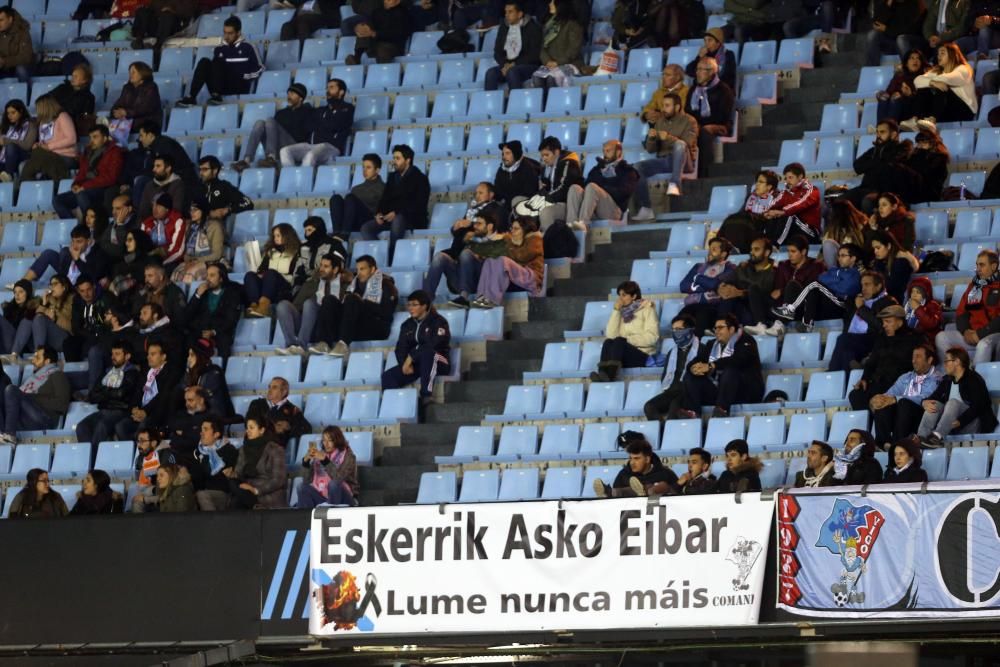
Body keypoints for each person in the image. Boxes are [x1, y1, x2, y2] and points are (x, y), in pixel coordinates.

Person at [310, 255, 398, 356]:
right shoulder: (354, 284)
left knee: (352, 299)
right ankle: (323, 342)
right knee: (329, 299)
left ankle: (343, 343)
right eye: (357, 269)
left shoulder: (386, 285)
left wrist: (363, 302)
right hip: (355, 327)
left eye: (362, 269)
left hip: (376, 327)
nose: (359, 273)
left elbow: (386, 313)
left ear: (373, 269)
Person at [683, 314, 764, 417]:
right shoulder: (711, 344)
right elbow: (696, 360)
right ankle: (693, 412)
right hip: (719, 390)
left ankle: (721, 409)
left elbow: (738, 360)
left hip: (745, 391)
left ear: (731, 329)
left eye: (721, 327)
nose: (716, 331)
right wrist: (693, 368)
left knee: (730, 370)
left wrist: (712, 365)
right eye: (715, 328)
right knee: (690, 377)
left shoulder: (746, 340)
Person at [360, 144, 431, 263]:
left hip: (412, 218)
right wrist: (379, 213)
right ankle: (381, 256)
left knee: (398, 220)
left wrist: (397, 212)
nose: (394, 161)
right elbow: (384, 199)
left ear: (408, 160)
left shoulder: (420, 178)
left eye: (398, 158)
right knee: (366, 228)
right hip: (391, 217)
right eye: (394, 158)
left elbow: (419, 204)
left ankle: (392, 257)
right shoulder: (393, 177)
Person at [770, 243, 863, 332]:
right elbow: (821, 277)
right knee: (793, 285)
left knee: (814, 284)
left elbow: (845, 289)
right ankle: (780, 324)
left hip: (840, 305)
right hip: (826, 302)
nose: (839, 258)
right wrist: (837, 280)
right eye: (838, 255)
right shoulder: (835, 270)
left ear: (853, 258)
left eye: (843, 255)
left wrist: (832, 281)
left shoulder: (855, 274)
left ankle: (796, 314)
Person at [745, 235, 825, 337]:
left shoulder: (815, 266)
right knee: (754, 288)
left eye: (793, 251)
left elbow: (811, 288)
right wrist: (780, 292)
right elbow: (777, 288)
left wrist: (783, 291)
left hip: (800, 308)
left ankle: (780, 325)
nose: (789, 255)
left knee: (792, 285)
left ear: (803, 252)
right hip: (781, 305)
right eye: (788, 251)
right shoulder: (784, 266)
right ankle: (761, 324)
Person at [848, 304, 924, 411]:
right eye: (883, 322)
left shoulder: (914, 339)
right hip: (878, 382)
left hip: (898, 386)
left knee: (883, 403)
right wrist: (864, 378)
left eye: (888, 321)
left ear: (900, 322)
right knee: (856, 395)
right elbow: (872, 362)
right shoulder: (881, 338)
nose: (884, 325)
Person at [919, 346, 998, 447]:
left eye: (947, 361)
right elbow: (933, 397)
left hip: (973, 423)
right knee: (934, 404)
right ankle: (921, 437)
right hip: (951, 425)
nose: (944, 365)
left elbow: (979, 406)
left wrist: (960, 421)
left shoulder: (974, 379)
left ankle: (937, 436)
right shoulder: (947, 380)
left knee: (953, 402)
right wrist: (924, 402)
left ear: (957, 362)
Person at [176, 17, 264, 107]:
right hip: (222, 86)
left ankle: (216, 95)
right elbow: (216, 70)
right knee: (205, 62)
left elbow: (260, 68)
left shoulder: (249, 47)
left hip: (239, 85)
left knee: (218, 62)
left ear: (238, 33)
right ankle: (192, 97)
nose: (226, 36)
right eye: (225, 33)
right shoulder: (220, 49)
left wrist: (244, 75)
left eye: (230, 33)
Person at [381, 290, 451, 404]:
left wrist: (411, 357)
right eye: (409, 304)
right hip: (417, 364)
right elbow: (400, 348)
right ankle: (392, 406)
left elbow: (434, 344)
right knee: (388, 376)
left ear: (424, 306)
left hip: (439, 361)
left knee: (428, 354)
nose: (410, 308)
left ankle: (426, 396)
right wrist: (405, 364)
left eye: (414, 304)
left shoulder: (438, 321)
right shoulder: (407, 325)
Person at [869, 343, 942, 447]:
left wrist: (896, 399)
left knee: (904, 403)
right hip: (901, 417)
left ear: (929, 360)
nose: (913, 360)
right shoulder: (906, 377)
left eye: (918, 357)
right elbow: (889, 395)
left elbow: (925, 397)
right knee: (883, 404)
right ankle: (882, 443)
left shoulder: (936, 378)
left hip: (921, 417)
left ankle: (898, 444)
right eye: (913, 357)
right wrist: (878, 399)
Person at [634, 93, 698, 210]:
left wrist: (668, 138)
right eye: (663, 106)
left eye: (667, 106)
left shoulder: (690, 121)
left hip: (685, 162)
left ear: (677, 107)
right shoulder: (660, 122)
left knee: (680, 144)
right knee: (636, 167)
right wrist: (651, 138)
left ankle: (675, 184)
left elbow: (688, 144)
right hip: (664, 161)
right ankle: (645, 208)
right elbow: (650, 150)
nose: (663, 109)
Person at [935, 249, 1000, 365]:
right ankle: (953, 375)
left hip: (993, 335)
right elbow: (961, 312)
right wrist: (965, 331)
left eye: (982, 265)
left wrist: (979, 334)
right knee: (941, 337)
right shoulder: (974, 286)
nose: (978, 269)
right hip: (971, 334)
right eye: (977, 265)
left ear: (994, 266)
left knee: (983, 344)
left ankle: (975, 379)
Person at [276, 253, 347, 356]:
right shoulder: (311, 284)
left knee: (310, 303)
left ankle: (301, 345)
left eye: (326, 266)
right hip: (309, 326)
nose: (321, 269)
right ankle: (292, 345)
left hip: (330, 328)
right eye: (321, 265)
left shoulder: (344, 285)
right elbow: (296, 306)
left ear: (335, 270)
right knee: (283, 305)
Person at [232, 83, 313, 171]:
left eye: (292, 94)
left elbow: (305, 135)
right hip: (279, 149)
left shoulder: (308, 112)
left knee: (270, 120)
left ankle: (271, 157)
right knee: (260, 123)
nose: (289, 96)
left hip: (297, 148)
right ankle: (246, 160)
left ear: (301, 98)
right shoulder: (281, 113)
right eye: (288, 94)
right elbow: (272, 133)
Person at [52, 126, 125, 222]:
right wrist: (76, 184)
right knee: (57, 200)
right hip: (87, 187)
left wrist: (85, 186)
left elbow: (111, 178)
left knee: (82, 195)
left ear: (105, 138)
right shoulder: (88, 151)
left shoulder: (115, 152)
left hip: (103, 188)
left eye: (95, 137)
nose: (92, 140)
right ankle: (75, 227)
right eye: (90, 137)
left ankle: (89, 225)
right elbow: (82, 172)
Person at [0, 346, 71, 443]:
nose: (33, 360)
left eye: (37, 358)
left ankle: (9, 436)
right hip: (25, 415)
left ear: (47, 361)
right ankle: (2, 434)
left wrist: (32, 398)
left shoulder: (58, 375)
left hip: (44, 418)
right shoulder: (33, 378)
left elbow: (62, 405)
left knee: (11, 390)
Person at [828, 271, 897, 371]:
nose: (863, 288)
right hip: (856, 341)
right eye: (862, 285)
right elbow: (848, 324)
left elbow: (881, 326)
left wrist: (861, 308)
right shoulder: (859, 300)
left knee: (843, 339)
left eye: (867, 284)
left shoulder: (888, 302)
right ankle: (846, 372)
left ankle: (833, 372)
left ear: (878, 286)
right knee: (846, 353)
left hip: (875, 340)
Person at [591, 280, 659, 382]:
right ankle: (602, 373)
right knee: (608, 342)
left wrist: (627, 340)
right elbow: (610, 335)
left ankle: (610, 375)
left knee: (619, 341)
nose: (620, 299)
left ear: (634, 296)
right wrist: (616, 311)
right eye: (619, 295)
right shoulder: (621, 312)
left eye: (624, 295)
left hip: (642, 354)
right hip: (622, 354)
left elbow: (652, 337)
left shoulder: (647, 309)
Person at [842, 119, 913, 213]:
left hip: (887, 192)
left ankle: (872, 226)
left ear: (894, 134)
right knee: (840, 202)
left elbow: (889, 167)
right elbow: (857, 166)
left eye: (882, 132)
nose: (878, 135)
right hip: (864, 188)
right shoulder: (874, 151)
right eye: (877, 132)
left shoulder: (901, 150)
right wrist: (877, 161)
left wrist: (873, 162)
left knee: (867, 202)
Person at [472, 216, 544, 308]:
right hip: (518, 274)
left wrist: (507, 240)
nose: (512, 231)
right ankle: (481, 297)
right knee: (490, 259)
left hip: (532, 277)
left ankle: (492, 299)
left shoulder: (535, 240)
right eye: (511, 228)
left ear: (526, 230)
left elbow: (522, 256)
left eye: (516, 229)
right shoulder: (514, 241)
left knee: (502, 260)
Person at [280, 79, 355, 166]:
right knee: (285, 151)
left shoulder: (348, 108)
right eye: (327, 88)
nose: (328, 90)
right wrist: (325, 124)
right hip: (311, 145)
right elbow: (308, 126)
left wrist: (320, 124)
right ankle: (290, 177)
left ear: (341, 92)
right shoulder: (320, 110)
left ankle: (304, 178)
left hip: (331, 147)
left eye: (331, 87)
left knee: (310, 155)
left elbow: (336, 125)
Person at [565, 140, 639, 228]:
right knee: (575, 188)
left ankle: (583, 224)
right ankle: (570, 226)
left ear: (618, 152)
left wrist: (602, 187)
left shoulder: (627, 170)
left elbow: (623, 193)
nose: (605, 154)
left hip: (614, 212)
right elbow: (586, 187)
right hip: (593, 209)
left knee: (592, 187)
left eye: (608, 151)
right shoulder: (597, 169)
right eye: (604, 151)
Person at [901, 43, 977, 128]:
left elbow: (948, 79)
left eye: (942, 53)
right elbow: (917, 81)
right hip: (946, 112)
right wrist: (931, 82)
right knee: (924, 88)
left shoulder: (963, 69)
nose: (939, 56)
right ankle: (915, 120)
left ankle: (932, 120)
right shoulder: (938, 71)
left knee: (941, 86)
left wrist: (932, 82)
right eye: (938, 54)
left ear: (952, 55)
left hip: (964, 112)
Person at [515, 136, 582, 230]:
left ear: (557, 152)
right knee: (517, 201)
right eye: (542, 156)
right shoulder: (546, 167)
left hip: (563, 204)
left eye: (547, 155)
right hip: (548, 201)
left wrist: (543, 199)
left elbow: (563, 189)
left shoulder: (569, 163)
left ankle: (547, 241)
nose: (544, 158)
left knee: (545, 212)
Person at [117, 341, 181, 439]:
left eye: (153, 354)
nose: (149, 357)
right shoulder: (146, 371)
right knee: (121, 426)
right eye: (148, 354)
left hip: (156, 414)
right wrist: (134, 408)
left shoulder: (171, 372)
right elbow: (138, 392)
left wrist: (145, 411)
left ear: (163, 356)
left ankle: (140, 451)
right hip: (140, 412)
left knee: (142, 429)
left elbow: (163, 396)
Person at [643, 314, 702, 421]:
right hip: (672, 391)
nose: (675, 333)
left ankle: (669, 433)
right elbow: (665, 376)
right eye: (674, 330)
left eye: (679, 329)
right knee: (649, 406)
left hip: (689, 392)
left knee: (674, 407)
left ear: (690, 330)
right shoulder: (672, 352)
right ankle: (661, 431)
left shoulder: (702, 349)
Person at [243, 223, 307, 319]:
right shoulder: (270, 251)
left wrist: (273, 274)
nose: (275, 238)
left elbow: (296, 273)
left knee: (271, 273)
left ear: (287, 236)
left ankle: (263, 306)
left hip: (284, 285)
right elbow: (261, 269)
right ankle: (254, 306)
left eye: (278, 235)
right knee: (250, 275)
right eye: (274, 236)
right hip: (268, 282)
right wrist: (260, 274)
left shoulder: (297, 251)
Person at [684, 57, 734, 176]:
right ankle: (686, 170)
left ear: (712, 72)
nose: (697, 73)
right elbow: (687, 111)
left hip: (720, 125)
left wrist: (700, 125)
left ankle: (705, 171)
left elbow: (723, 116)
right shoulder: (693, 90)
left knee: (705, 131)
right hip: (697, 125)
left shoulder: (723, 90)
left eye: (702, 70)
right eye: (697, 69)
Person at [182, 262, 242, 358]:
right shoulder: (202, 291)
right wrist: (197, 295)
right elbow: (187, 315)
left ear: (221, 278)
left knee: (224, 341)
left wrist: (214, 331)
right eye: (207, 275)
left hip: (219, 331)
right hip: (200, 331)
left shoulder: (231, 294)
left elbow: (231, 319)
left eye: (212, 275)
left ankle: (222, 369)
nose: (208, 279)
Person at [678, 237, 736, 334]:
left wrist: (697, 278)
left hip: (713, 307)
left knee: (702, 314)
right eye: (709, 249)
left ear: (723, 254)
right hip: (693, 306)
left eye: (713, 249)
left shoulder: (730, 268)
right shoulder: (698, 266)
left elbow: (714, 284)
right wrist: (704, 287)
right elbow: (683, 286)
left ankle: (698, 344)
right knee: (679, 321)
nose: (709, 252)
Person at [21, 224, 110, 286]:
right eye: (73, 241)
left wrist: (77, 259)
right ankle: (23, 284)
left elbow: (92, 276)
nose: (75, 245)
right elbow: (64, 270)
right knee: (48, 253)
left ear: (89, 241)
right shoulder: (70, 250)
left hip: (81, 284)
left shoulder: (98, 253)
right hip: (66, 276)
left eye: (79, 242)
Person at [230, 416, 288, 510]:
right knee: (232, 484)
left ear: (261, 430)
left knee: (236, 503)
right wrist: (233, 474)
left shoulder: (275, 450)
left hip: (267, 493)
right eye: (247, 428)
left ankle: (255, 506)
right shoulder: (243, 449)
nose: (248, 431)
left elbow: (278, 480)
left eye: (251, 428)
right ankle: (254, 506)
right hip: (246, 491)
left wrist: (256, 490)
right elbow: (239, 474)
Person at [297, 425, 360, 508]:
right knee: (301, 487)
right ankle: (306, 518)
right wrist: (306, 462)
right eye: (324, 440)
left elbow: (338, 478)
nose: (326, 444)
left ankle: (331, 514)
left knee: (333, 484)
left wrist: (325, 461)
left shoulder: (349, 456)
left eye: (330, 440)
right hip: (322, 496)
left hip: (345, 497)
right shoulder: (320, 455)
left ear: (337, 440)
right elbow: (307, 480)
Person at [485, 1, 543, 91]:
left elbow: (534, 55)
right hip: (507, 65)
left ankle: (516, 103)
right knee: (490, 73)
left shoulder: (533, 28)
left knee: (512, 72)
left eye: (510, 12)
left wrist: (514, 64)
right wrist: (505, 64)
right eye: (506, 12)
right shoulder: (504, 27)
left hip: (529, 66)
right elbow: (497, 52)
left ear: (520, 14)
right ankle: (489, 103)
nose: (506, 15)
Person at [10, 276, 74, 356]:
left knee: (39, 318)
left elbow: (72, 327)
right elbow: (32, 316)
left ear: (64, 286)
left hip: (65, 340)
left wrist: (56, 318)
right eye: (50, 284)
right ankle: (14, 354)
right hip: (46, 340)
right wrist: (44, 304)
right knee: (27, 320)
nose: (51, 287)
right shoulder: (48, 298)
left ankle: (39, 355)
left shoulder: (72, 300)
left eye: (55, 284)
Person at [593, 438, 678, 497]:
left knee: (662, 486)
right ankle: (608, 492)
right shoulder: (624, 474)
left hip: (657, 509)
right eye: (631, 458)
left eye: (637, 458)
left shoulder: (665, 473)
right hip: (631, 511)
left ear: (647, 459)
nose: (632, 462)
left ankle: (645, 490)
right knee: (618, 492)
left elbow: (678, 494)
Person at [762, 163, 822, 245]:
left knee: (789, 216)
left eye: (790, 177)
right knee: (771, 216)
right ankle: (766, 244)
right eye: (786, 178)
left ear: (800, 176)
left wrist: (782, 212)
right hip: (793, 231)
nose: (787, 181)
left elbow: (800, 204)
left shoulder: (812, 190)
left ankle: (776, 245)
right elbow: (773, 204)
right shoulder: (785, 193)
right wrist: (768, 212)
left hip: (810, 232)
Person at [19, 97, 76, 183]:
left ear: (45, 107)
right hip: (47, 154)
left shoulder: (63, 116)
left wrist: (49, 147)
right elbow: (44, 141)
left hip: (65, 156)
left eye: (38, 108)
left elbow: (72, 139)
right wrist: (39, 144)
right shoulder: (42, 121)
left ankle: (25, 183)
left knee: (37, 157)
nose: (37, 111)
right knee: (34, 154)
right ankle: (46, 183)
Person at [531, 0, 585, 92]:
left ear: (561, 6)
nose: (550, 4)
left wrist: (557, 62)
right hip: (550, 65)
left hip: (569, 64)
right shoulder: (549, 25)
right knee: (537, 78)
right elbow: (541, 47)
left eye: (553, 2)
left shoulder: (574, 25)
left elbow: (573, 50)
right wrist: (547, 61)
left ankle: (554, 104)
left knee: (552, 78)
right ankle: (543, 105)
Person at [329, 153, 385, 241]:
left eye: (368, 167)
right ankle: (337, 233)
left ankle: (344, 234)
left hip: (369, 221)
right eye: (363, 167)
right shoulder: (356, 188)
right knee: (335, 198)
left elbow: (386, 210)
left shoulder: (384, 188)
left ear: (377, 170)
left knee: (350, 197)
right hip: (353, 221)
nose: (365, 170)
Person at [718, 174, 779, 254]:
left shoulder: (776, 199)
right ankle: (723, 246)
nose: (757, 184)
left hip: (763, 225)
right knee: (731, 219)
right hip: (750, 221)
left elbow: (773, 219)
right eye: (757, 181)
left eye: (761, 182)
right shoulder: (751, 196)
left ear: (769, 186)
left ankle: (735, 249)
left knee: (742, 222)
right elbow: (743, 211)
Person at [245, 377, 312, 447]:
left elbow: (307, 429)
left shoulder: (292, 410)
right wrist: (273, 427)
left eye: (274, 387)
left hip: (274, 450)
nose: (269, 390)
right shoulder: (257, 404)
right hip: (252, 446)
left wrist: (289, 427)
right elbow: (247, 423)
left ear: (284, 392)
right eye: (269, 387)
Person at [171, 199, 225, 284]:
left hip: (211, 263)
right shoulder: (191, 227)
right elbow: (186, 251)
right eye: (190, 210)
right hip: (192, 261)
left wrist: (197, 260)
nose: (192, 213)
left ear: (203, 210)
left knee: (190, 274)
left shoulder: (214, 226)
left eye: (195, 210)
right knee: (176, 275)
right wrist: (188, 261)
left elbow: (217, 254)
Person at [192, 416, 239, 511]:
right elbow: (197, 478)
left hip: (224, 494)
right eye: (201, 429)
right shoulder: (198, 452)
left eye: (205, 429)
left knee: (201, 495)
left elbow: (229, 478)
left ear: (216, 434)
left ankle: (213, 523)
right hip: (204, 492)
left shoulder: (229, 450)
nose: (201, 433)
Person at [346, 0, 412, 64]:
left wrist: (374, 33)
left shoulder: (403, 13)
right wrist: (360, 29)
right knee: (364, 31)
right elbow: (369, 27)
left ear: (398, 1)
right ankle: (356, 58)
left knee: (382, 49)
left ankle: (382, 72)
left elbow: (398, 34)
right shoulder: (377, 12)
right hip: (376, 44)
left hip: (393, 46)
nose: (387, 1)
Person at [127, 427, 177, 512]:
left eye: (142, 441)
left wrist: (148, 495)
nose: (139, 445)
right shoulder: (139, 459)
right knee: (133, 494)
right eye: (138, 441)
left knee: (138, 501)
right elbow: (138, 479)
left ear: (153, 443)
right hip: (147, 491)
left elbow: (172, 485)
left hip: (166, 493)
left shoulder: (166, 456)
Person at [63, 274, 111, 363]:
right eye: (82, 291)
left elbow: (105, 325)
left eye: (88, 289)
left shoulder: (105, 298)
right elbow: (76, 326)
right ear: (78, 290)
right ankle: (74, 370)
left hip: (102, 335)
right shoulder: (77, 300)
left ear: (94, 287)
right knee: (69, 343)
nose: (86, 294)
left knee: (92, 345)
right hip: (86, 334)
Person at [182, 339, 233, 418]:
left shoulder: (214, 372)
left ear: (200, 357)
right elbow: (184, 389)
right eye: (188, 355)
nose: (189, 359)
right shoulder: (189, 373)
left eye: (192, 355)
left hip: (215, 417)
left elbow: (207, 399)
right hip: (196, 415)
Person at [866, 0, 927, 66]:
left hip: (909, 42)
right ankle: (872, 68)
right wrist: (888, 5)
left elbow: (910, 30)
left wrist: (886, 29)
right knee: (872, 35)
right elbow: (877, 24)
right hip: (891, 41)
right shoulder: (888, 3)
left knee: (901, 39)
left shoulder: (914, 4)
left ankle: (908, 69)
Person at [877, 49, 929, 122]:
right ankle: (881, 126)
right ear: (906, 63)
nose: (915, 61)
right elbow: (889, 92)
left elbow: (923, 100)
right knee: (884, 98)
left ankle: (889, 127)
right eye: (912, 58)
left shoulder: (924, 76)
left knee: (896, 99)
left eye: (918, 58)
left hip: (913, 111)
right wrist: (881, 94)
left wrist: (909, 94)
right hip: (897, 107)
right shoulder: (899, 76)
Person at [109, 62, 162, 133]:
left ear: (142, 73)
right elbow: (119, 103)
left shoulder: (151, 87)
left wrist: (126, 113)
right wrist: (115, 112)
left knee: (118, 127)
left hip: (147, 122)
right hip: (129, 120)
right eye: (129, 72)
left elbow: (145, 108)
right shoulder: (127, 87)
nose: (130, 75)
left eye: (133, 72)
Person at [494, 140, 542, 218]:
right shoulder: (501, 170)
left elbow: (529, 193)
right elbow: (498, 191)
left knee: (516, 200)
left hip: (526, 204)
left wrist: (507, 200)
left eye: (507, 153)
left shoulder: (528, 168)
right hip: (507, 204)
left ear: (516, 154)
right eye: (503, 154)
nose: (504, 157)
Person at [199, 156, 254, 222]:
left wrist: (227, 210)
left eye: (205, 169)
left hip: (215, 227)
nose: (201, 173)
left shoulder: (224, 187)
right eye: (200, 169)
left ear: (215, 171)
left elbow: (248, 203)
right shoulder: (196, 188)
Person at [903, 128, 950, 205]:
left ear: (932, 143)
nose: (920, 146)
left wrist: (920, 155)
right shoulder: (913, 156)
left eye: (924, 143)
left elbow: (929, 175)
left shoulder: (939, 158)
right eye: (918, 143)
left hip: (931, 193)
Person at [140, 192, 187, 269]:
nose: (154, 209)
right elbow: (141, 246)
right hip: (149, 261)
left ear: (167, 208)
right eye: (153, 205)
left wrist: (161, 264)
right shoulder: (147, 223)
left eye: (158, 206)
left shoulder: (177, 221)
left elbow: (177, 251)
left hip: (171, 261)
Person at [48, 64, 96, 137]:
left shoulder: (88, 97)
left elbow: (85, 116)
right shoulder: (62, 88)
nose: (72, 78)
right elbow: (46, 99)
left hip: (70, 127)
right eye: (72, 76)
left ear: (84, 80)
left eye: (76, 76)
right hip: (52, 120)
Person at [130, 0, 197, 51]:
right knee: (142, 11)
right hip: (159, 25)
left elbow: (188, 13)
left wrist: (172, 10)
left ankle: (158, 46)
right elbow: (153, 9)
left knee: (167, 15)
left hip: (175, 25)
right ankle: (139, 39)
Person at [137, 155, 188, 223]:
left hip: (170, 226)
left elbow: (176, 211)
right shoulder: (149, 186)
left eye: (158, 166)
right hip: (150, 226)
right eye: (154, 166)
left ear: (168, 168)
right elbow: (143, 212)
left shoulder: (178, 185)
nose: (154, 169)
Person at [870, 230, 916, 302]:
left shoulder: (901, 262)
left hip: (897, 301)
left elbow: (894, 287)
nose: (875, 251)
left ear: (888, 246)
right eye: (874, 249)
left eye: (878, 248)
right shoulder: (879, 262)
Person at [0, 99, 36, 182]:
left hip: (24, 155)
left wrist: (7, 141)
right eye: (8, 113)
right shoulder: (7, 126)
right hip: (5, 158)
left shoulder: (31, 125)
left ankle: (9, 175)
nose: (10, 116)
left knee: (11, 147)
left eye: (13, 113)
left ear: (21, 111)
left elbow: (27, 145)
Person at [98, 195, 140, 264]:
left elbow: (124, 247)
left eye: (118, 208)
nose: (113, 212)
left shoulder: (137, 222)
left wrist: (120, 225)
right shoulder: (113, 223)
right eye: (113, 208)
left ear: (129, 209)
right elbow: (103, 243)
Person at [0, 280, 37, 354]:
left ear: (28, 293)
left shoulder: (33, 308)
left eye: (21, 292)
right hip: (6, 344)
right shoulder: (8, 308)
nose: (17, 295)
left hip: (22, 345)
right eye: (15, 292)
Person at [904, 276, 943, 340]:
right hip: (910, 336)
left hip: (926, 338)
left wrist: (917, 309)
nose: (914, 295)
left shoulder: (933, 305)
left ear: (925, 293)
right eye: (912, 292)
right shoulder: (907, 305)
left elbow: (931, 324)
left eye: (918, 292)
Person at [0, 7, 33, 83]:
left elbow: (25, 57)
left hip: (18, 67)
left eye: (1, 20)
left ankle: (26, 93)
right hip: (3, 67)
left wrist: (4, 61)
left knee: (21, 69)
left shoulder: (23, 32)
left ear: (10, 19)